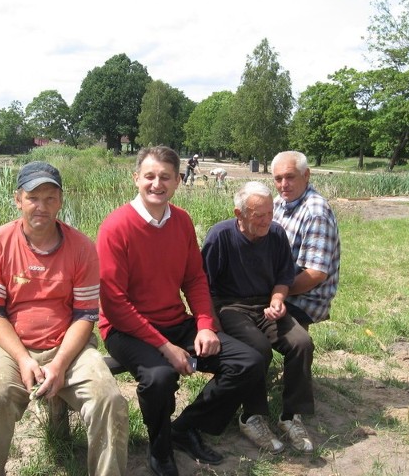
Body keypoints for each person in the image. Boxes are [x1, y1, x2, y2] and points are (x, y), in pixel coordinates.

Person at [97, 146, 268, 476]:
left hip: (175, 321)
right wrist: (166, 348)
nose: (156, 184)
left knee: (249, 362)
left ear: (178, 180)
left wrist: (204, 324)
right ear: (136, 178)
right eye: (149, 176)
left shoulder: (182, 220)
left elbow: (194, 278)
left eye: (165, 177)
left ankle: (186, 426)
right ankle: (160, 449)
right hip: (126, 329)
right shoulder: (115, 227)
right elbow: (115, 304)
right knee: (160, 377)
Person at [0, 161, 128, 476]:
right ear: (18, 200)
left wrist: (59, 364)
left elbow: (84, 316)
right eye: (33, 197)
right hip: (10, 346)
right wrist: (24, 360)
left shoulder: (82, 247)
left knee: (109, 400)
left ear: (61, 201)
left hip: (69, 344)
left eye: (50, 198)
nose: (42, 206)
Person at [202, 181, 315, 454]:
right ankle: (252, 416)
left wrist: (278, 300)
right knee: (258, 349)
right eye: (258, 215)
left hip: (265, 304)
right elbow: (201, 284)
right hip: (230, 306)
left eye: (270, 213)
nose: (267, 221)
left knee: (302, 342)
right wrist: (209, 324)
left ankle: (291, 415)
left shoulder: (275, 234)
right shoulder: (220, 236)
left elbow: (283, 277)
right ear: (239, 214)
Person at [270, 150, 341, 329]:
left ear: (306, 175)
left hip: (304, 299)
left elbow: (315, 274)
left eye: (290, 177)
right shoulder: (278, 203)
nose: (284, 184)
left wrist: (275, 293)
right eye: (278, 179)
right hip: (280, 289)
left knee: (247, 328)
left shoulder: (315, 212)